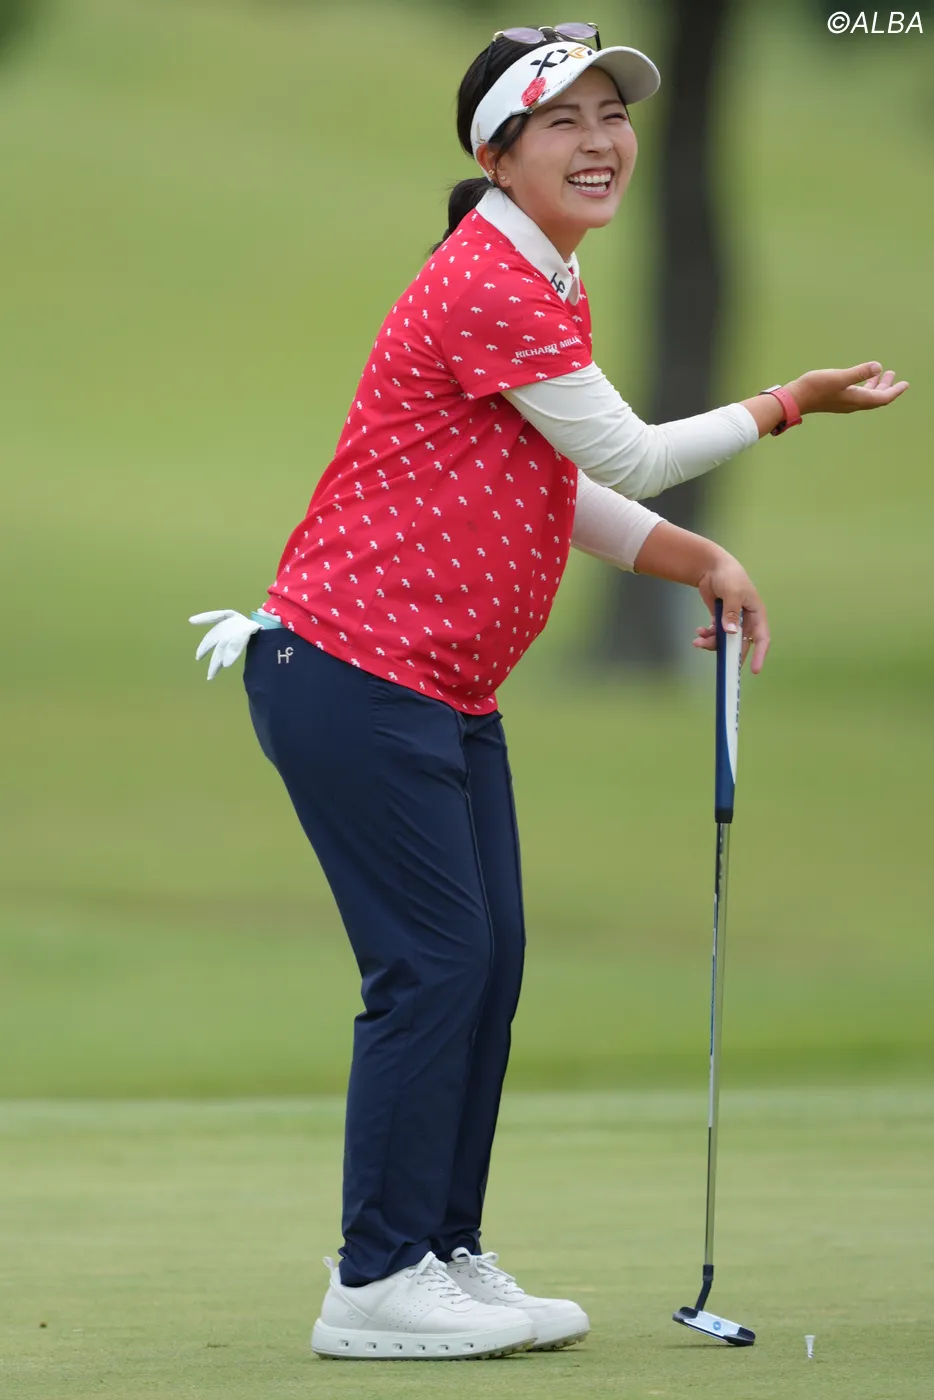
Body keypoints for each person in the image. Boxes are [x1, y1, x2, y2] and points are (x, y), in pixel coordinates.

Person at [189, 26, 908, 1362]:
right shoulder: (491, 279)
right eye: (561, 119)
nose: (599, 140)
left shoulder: (537, 275)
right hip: (351, 670)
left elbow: (552, 478)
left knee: (489, 960)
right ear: (497, 153)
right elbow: (628, 454)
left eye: (611, 114)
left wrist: (695, 560)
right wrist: (785, 404)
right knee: (434, 966)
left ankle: (441, 1250)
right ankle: (373, 1281)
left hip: (436, 686)